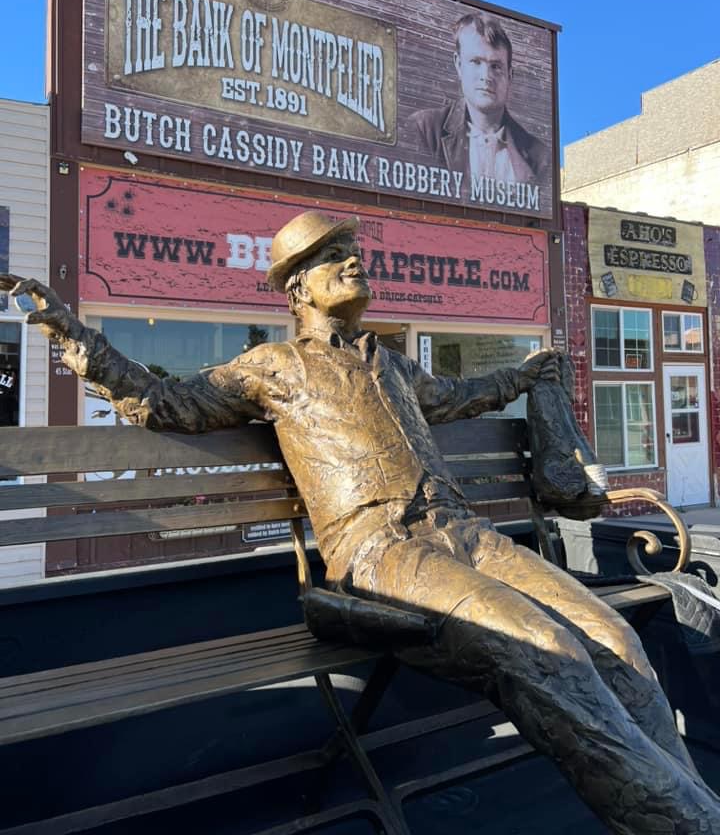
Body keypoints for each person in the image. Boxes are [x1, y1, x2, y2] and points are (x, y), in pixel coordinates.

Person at [2, 211, 719, 834]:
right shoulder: (274, 366)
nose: (352, 262)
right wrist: (71, 332)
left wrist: (529, 372)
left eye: (353, 253)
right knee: (543, 646)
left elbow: (469, 392)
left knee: (613, 637)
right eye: (330, 258)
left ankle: (691, 809)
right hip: (380, 554)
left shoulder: (393, 366)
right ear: (298, 289)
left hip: (463, 534)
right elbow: (164, 403)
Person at [409, 12, 550, 193]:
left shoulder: (540, 157)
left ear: (510, 75)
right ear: (459, 64)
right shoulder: (425, 129)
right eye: (476, 62)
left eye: (496, 66)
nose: (486, 76)